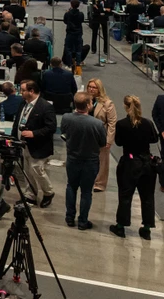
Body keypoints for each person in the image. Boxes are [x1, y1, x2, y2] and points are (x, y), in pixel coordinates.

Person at [111, 95, 158, 239]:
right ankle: (147, 229)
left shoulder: (122, 124)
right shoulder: (148, 123)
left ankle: (121, 227)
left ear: (126, 107)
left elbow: (118, 142)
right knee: (148, 196)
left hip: (130, 163)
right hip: (147, 164)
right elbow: (154, 139)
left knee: (125, 196)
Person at [60, 92, 106, 229]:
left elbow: (64, 133)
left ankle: (69, 217)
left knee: (71, 187)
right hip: (90, 161)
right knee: (86, 192)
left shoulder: (66, 118)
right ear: (88, 105)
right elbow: (103, 142)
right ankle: (82, 221)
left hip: (72, 158)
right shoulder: (97, 124)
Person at [17, 80, 56, 207]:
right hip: (24, 144)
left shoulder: (45, 106)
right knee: (27, 171)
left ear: (31, 91)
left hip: (39, 145)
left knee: (37, 170)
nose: (20, 93)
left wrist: (34, 133)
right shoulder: (24, 103)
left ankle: (48, 192)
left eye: (23, 90)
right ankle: (30, 196)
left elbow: (51, 128)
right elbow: (18, 122)